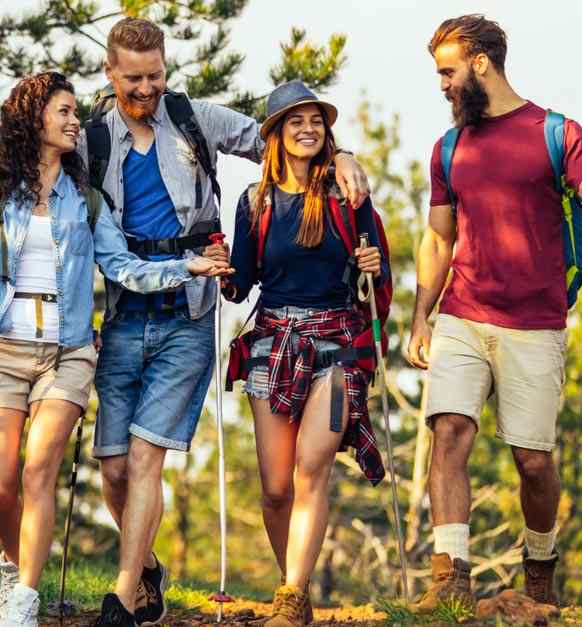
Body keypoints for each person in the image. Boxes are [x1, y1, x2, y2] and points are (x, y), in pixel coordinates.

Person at [84, 18, 371, 627]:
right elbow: (47, 180)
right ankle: (150, 570)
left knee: (145, 460)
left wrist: (341, 150)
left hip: (189, 310)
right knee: (114, 470)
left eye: (156, 76)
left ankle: (124, 594)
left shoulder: (194, 118)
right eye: (133, 79)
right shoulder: (92, 139)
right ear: (110, 75)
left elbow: (280, 138)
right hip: (124, 311)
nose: (146, 89)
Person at [0, 71, 232, 627]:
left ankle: (24, 602)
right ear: (34, 117)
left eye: (74, 113)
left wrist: (184, 267)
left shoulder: (88, 201)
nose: (75, 123)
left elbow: (122, 267)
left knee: (39, 468)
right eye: (65, 112)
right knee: (0, 489)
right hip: (1, 348)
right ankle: (13, 566)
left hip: (66, 353)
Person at [406, 14, 582, 613]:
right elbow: (438, 239)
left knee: (532, 461)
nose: (442, 85)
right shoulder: (448, 147)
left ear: (481, 63)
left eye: (447, 71)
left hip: (535, 322)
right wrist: (422, 315)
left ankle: (539, 566)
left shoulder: (556, 132)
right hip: (463, 312)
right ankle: (450, 575)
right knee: (448, 431)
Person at [222, 80, 389, 627]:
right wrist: (220, 263)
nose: (308, 128)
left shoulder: (347, 193)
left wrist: (373, 267)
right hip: (273, 343)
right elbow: (240, 284)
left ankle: (291, 596)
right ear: (275, 134)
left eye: (316, 120)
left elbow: (378, 269)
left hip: (336, 346)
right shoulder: (255, 202)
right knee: (274, 489)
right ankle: (294, 582)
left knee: (310, 467)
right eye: (295, 121)